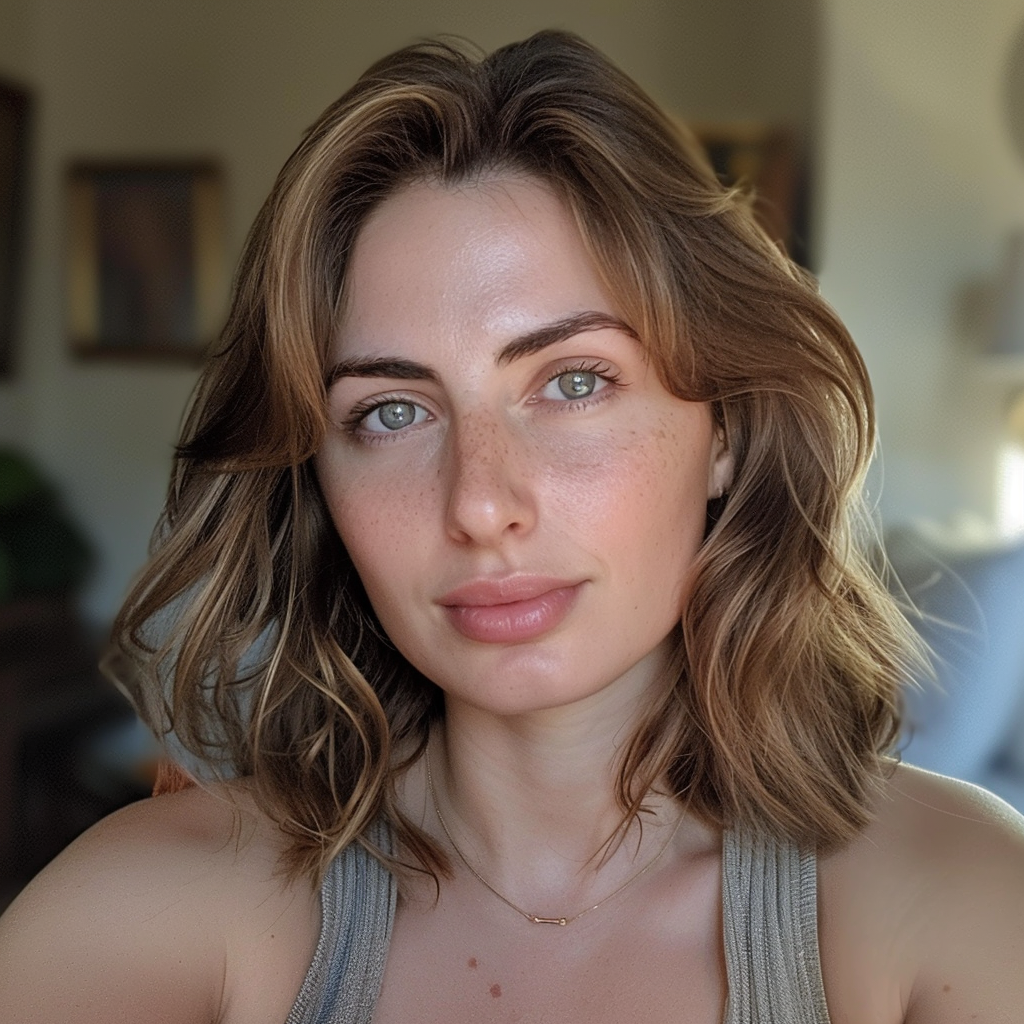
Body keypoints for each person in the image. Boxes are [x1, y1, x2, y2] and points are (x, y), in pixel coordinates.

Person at [1, 29, 1022, 1024]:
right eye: (390, 412)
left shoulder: (959, 901)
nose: (480, 505)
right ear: (317, 479)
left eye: (574, 382)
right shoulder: (152, 910)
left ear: (725, 430)